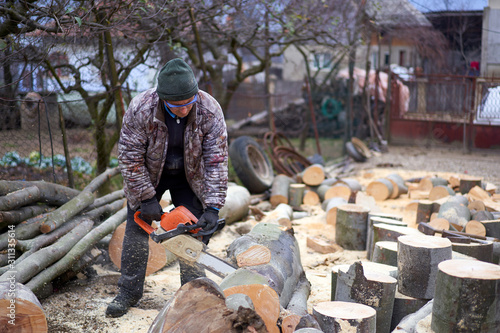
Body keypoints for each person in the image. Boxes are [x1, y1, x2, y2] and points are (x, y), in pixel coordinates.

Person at [106, 58, 228, 318]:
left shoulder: (209, 109)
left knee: (194, 231)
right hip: (149, 175)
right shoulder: (142, 108)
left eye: (188, 103)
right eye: (176, 105)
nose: (184, 109)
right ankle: (128, 292)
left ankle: (193, 292)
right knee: (136, 231)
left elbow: (216, 160)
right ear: (163, 99)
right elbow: (129, 158)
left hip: (190, 175)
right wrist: (146, 198)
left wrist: (213, 207)